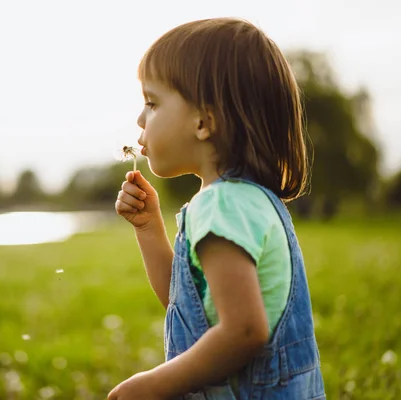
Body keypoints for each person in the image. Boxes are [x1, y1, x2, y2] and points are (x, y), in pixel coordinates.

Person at [112, 18, 324, 399]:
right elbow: (190, 307)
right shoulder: (250, 201)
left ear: (203, 122)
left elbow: (243, 331)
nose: (140, 119)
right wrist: (149, 229)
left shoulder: (220, 206)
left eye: (152, 102)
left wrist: (151, 385)